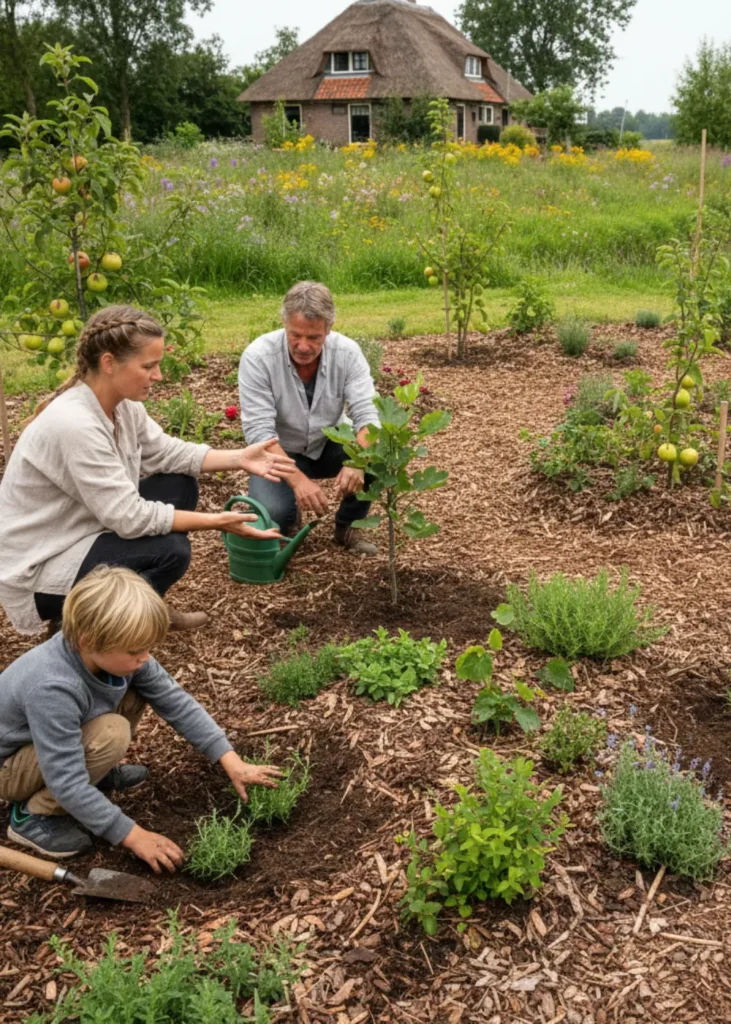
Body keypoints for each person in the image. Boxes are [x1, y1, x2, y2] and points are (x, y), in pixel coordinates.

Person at [0, 305, 295, 636]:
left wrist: (240, 457)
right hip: (43, 562)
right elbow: (129, 517)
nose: (158, 376)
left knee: (179, 485)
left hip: (83, 527)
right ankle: (96, 631)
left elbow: (166, 452)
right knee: (170, 552)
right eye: (149, 366)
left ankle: (141, 606)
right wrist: (218, 522)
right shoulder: (75, 425)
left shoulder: (121, 406)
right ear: (109, 362)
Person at [0, 566, 282, 867]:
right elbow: (66, 780)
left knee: (134, 691)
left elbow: (174, 700)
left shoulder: (113, 654)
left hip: (41, 748)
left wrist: (231, 760)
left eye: (148, 647)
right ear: (87, 641)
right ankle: (33, 815)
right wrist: (134, 836)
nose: (145, 657)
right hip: (7, 766)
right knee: (112, 733)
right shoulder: (52, 687)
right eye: (135, 650)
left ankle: (96, 772)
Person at [238, 281, 380, 554]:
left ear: (329, 328)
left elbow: (368, 417)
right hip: (279, 450)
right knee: (273, 512)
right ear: (283, 322)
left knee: (377, 455)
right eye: (295, 335)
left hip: (328, 443)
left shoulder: (348, 353)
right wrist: (299, 481)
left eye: (314, 337)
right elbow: (260, 433)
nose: (303, 346)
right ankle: (288, 517)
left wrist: (357, 461)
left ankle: (348, 526)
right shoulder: (258, 357)